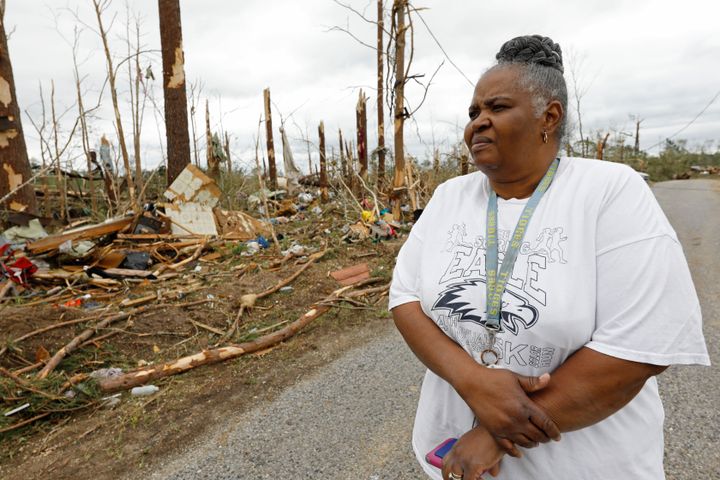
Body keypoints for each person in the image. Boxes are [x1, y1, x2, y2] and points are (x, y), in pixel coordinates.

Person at [389, 34, 710, 480]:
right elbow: (404, 298)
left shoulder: (609, 191)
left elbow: (641, 345)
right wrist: (472, 380)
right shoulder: (449, 197)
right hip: (454, 457)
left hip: (585, 465)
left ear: (549, 116)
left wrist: (494, 433)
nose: (477, 122)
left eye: (496, 108)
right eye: (473, 112)